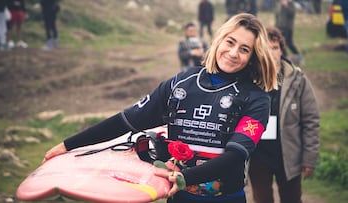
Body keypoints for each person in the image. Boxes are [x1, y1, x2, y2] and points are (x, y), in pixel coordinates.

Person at [44, 13, 278, 203]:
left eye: (245, 49)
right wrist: (67, 145)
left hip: (225, 199)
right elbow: (125, 121)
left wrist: (184, 176)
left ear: (253, 58)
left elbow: (235, 157)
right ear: (220, 39)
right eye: (230, 42)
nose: (233, 52)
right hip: (179, 198)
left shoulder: (256, 99)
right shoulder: (181, 83)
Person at [248, 27, 320, 203]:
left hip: (289, 155)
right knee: (262, 199)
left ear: (281, 49)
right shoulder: (248, 79)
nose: (271, 53)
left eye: (275, 47)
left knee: (292, 199)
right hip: (258, 155)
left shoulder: (297, 79)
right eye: (267, 48)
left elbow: (311, 120)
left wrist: (309, 159)